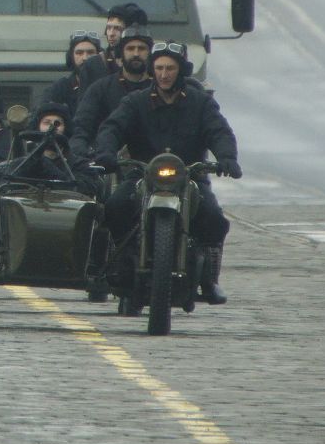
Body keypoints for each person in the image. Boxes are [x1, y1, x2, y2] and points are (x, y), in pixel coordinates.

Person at [94, 40, 239, 303]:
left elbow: (219, 131)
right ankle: (118, 265)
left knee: (214, 219)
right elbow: (112, 127)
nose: (164, 74)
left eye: (170, 68)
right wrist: (105, 153)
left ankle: (209, 278)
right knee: (113, 208)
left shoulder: (200, 102)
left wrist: (227, 158)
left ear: (180, 70)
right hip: (142, 174)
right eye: (159, 68)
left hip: (190, 177)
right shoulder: (135, 101)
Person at [72, 29, 153, 155]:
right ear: (121, 53)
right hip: (109, 160)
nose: (136, 53)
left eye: (142, 48)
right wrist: (80, 149)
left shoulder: (158, 88)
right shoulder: (100, 88)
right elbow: (82, 125)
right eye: (130, 48)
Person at [73, 3, 146, 91]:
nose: (111, 34)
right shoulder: (93, 65)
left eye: (117, 29)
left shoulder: (146, 64)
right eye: (109, 28)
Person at [37, 31, 103, 121]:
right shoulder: (59, 88)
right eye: (79, 53)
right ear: (70, 57)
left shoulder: (109, 86)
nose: (85, 58)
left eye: (90, 53)